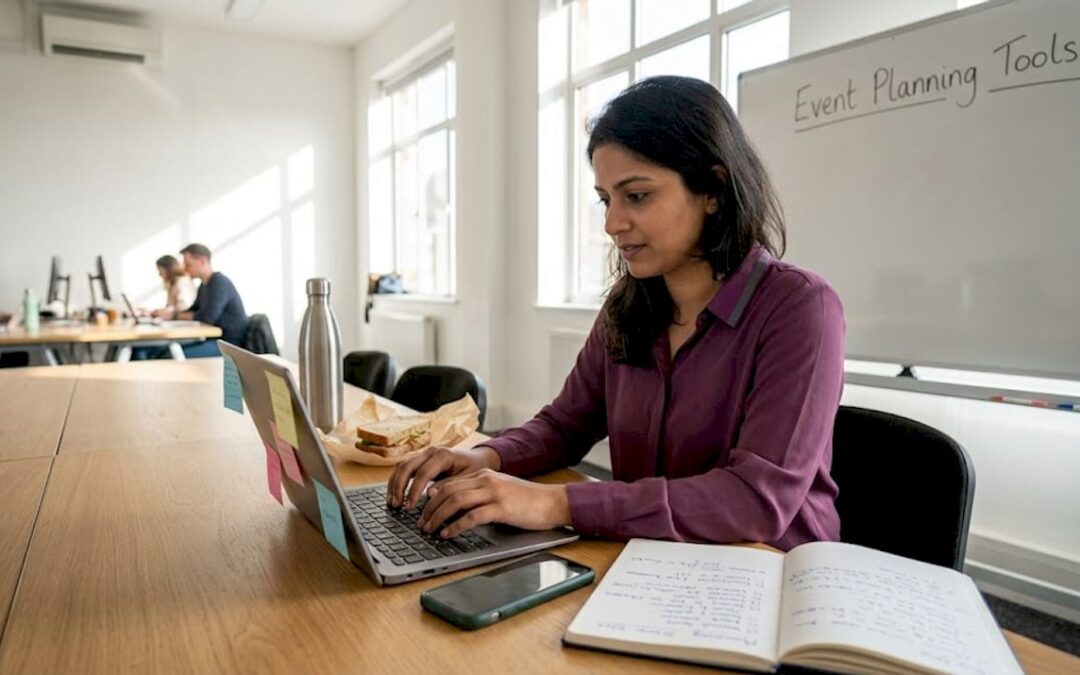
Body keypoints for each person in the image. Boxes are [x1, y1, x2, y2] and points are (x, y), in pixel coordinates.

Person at [388, 76, 846, 551]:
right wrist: (485, 457)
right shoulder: (628, 306)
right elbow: (564, 426)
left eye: (637, 196)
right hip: (649, 557)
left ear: (713, 189)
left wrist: (556, 504)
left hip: (770, 568)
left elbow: (755, 501)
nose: (611, 223)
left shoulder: (801, 308)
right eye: (606, 199)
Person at [174, 243, 248, 358]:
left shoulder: (219, 282)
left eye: (188, 265)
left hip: (229, 344)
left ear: (202, 261)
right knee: (170, 349)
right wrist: (175, 314)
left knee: (172, 353)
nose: (185, 269)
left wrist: (177, 315)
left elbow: (208, 318)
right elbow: (193, 310)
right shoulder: (204, 285)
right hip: (214, 340)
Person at [150, 255, 196, 320]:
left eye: (160, 271)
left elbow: (184, 306)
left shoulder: (183, 282)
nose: (159, 274)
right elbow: (170, 306)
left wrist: (166, 312)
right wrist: (155, 312)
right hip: (177, 320)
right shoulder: (173, 284)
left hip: (184, 321)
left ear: (168, 270)